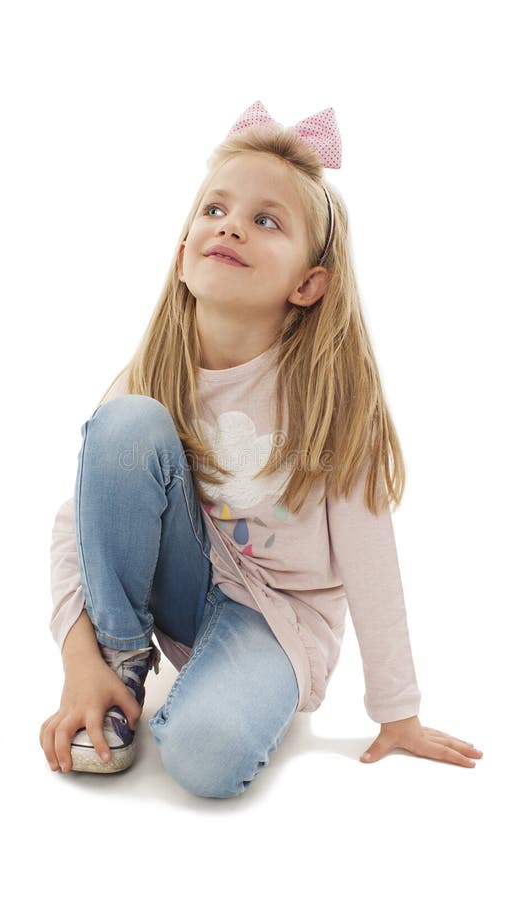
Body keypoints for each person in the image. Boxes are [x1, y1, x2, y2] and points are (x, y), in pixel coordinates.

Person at [39, 100, 483, 798]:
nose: (231, 225)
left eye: (265, 219)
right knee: (125, 425)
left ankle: (214, 701)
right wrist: (78, 659)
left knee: (205, 759)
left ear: (307, 285)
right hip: (180, 582)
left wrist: (398, 711)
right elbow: (80, 522)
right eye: (214, 211)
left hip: (277, 619)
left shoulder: (331, 402)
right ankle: (121, 660)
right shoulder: (149, 377)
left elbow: (371, 559)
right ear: (183, 257)